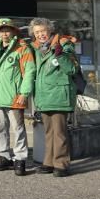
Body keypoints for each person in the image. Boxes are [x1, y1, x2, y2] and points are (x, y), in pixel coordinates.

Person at [0, 17, 35, 176]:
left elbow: (29, 71)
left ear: (13, 32)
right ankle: (3, 156)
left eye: (7, 31)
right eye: (1, 31)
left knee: (18, 128)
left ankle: (20, 159)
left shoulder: (22, 48)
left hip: (14, 96)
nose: (4, 34)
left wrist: (24, 93)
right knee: (0, 128)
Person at [29, 18, 77, 177]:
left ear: (50, 30)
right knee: (49, 132)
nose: (40, 34)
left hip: (59, 95)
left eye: (43, 31)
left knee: (59, 132)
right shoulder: (36, 48)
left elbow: (72, 69)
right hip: (44, 96)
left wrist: (60, 54)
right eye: (37, 32)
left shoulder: (64, 44)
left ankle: (62, 164)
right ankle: (49, 162)